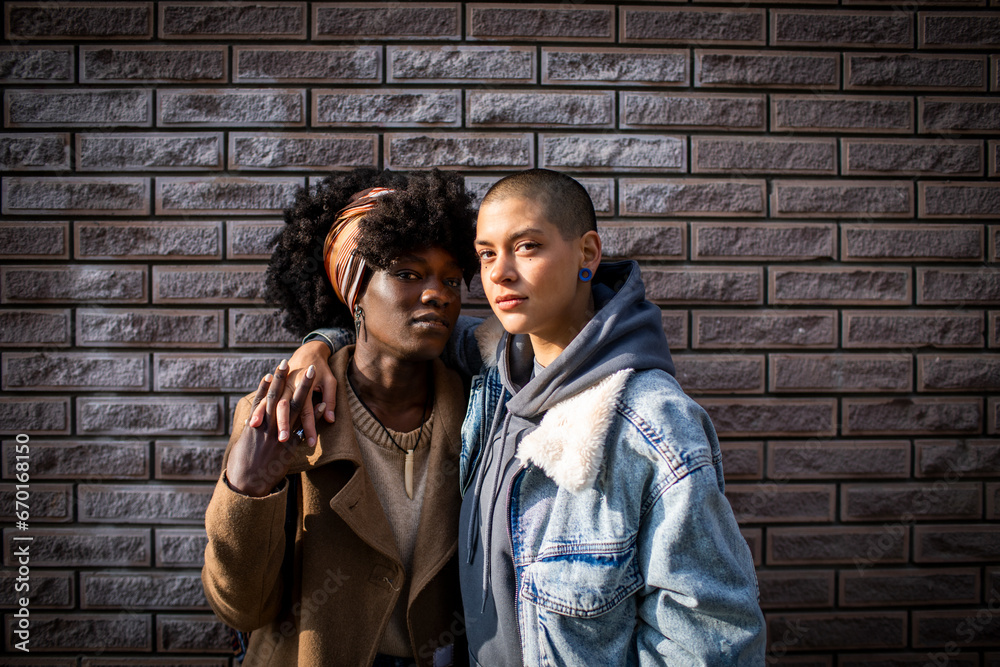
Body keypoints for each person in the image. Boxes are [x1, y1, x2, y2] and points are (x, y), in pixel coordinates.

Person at [283, 169, 766, 665]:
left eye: (527, 246)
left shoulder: (652, 422)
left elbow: (712, 637)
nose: (499, 273)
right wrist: (318, 347)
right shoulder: (493, 370)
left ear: (588, 255)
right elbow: (393, 327)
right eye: (487, 253)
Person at [201, 168, 479, 667]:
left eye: (452, 279)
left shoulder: (479, 416)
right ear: (355, 295)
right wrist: (247, 490)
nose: (439, 293)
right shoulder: (283, 417)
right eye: (408, 273)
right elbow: (240, 609)